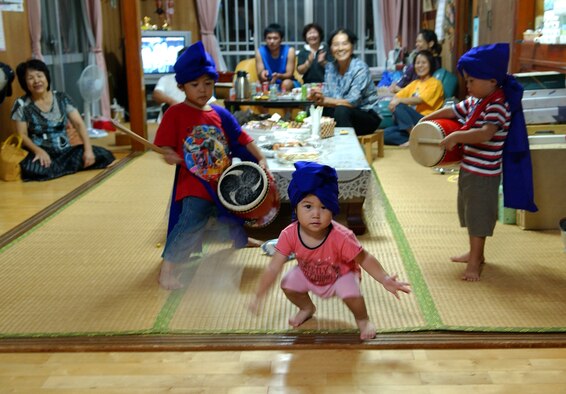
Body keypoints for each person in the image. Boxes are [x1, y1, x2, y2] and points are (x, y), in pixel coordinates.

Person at [249, 161, 411, 340]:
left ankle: (363, 320)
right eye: (308, 206)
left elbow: (364, 259)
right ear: (295, 207)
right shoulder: (289, 234)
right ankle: (307, 308)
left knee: (353, 295)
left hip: (341, 275)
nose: (316, 214)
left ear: (333, 209)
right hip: (308, 273)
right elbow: (273, 267)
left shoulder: (342, 236)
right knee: (288, 284)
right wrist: (259, 295)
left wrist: (385, 279)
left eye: (324, 207)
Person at [154, 41, 268, 290]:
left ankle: (240, 239)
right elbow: (163, 146)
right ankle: (168, 269)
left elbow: (241, 138)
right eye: (195, 85)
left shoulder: (219, 113)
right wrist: (168, 154)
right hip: (193, 182)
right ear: (181, 86)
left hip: (221, 179)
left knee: (231, 213)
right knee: (190, 222)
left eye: (208, 83)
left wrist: (260, 158)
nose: (202, 90)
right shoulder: (175, 114)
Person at [419, 43, 537, 281]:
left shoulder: (498, 104)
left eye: (472, 80)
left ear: (492, 81)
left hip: (485, 173)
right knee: (468, 211)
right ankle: (475, 252)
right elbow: (451, 111)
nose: (468, 85)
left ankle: (476, 259)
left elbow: (485, 133)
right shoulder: (475, 100)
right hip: (469, 169)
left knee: (479, 215)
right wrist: (425, 121)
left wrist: (457, 136)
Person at [10, 59, 115, 182]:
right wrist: (39, 151)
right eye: (31, 78)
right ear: (24, 83)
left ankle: (57, 170)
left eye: (39, 76)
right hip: (40, 152)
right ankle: (65, 168)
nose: (36, 81)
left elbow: (79, 124)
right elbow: (22, 135)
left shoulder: (62, 98)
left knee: (104, 155)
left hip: (65, 152)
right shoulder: (21, 104)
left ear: (46, 77)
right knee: (33, 168)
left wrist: (88, 150)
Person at [309, 28, 382, 136]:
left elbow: (353, 101)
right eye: (336, 45)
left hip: (367, 116)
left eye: (344, 44)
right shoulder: (330, 67)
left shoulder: (360, 68)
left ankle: (346, 150)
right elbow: (329, 96)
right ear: (331, 49)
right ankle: (314, 146)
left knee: (342, 110)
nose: (340, 48)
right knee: (314, 110)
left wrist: (325, 100)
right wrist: (318, 97)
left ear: (352, 47)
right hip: (341, 112)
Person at [383, 50, 444, 146]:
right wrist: (393, 102)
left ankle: (414, 138)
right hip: (412, 122)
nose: (420, 66)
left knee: (399, 105)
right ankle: (421, 138)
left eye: (424, 63)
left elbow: (419, 100)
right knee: (384, 134)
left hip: (426, 120)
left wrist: (397, 101)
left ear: (430, 64)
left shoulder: (435, 83)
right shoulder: (415, 83)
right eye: (417, 63)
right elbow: (398, 95)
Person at [152, 47, 216, 123]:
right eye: (194, 84)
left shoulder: (202, 81)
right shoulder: (166, 79)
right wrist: (173, 103)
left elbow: (212, 103)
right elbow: (157, 95)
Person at [389, 29, 442, 94]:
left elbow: (419, 91)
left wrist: (399, 90)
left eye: (420, 41)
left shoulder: (432, 63)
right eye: (416, 42)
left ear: (431, 43)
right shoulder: (421, 59)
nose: (417, 44)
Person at [255, 23, 299, 92]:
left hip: (287, 81)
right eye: (269, 38)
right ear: (265, 39)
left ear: (281, 39)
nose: (272, 41)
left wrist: (278, 76)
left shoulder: (290, 51)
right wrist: (262, 74)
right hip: (269, 82)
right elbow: (260, 72)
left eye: (275, 38)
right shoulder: (260, 51)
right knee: (258, 84)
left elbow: (289, 74)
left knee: (286, 83)